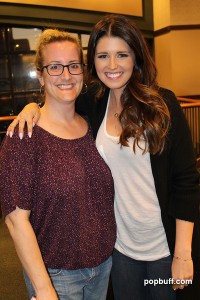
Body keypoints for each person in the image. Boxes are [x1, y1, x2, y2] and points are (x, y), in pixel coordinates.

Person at [6, 15, 200, 300]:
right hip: (120, 252)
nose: (112, 65)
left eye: (122, 54)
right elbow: (56, 97)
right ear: (93, 63)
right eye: (102, 56)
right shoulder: (94, 103)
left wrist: (183, 254)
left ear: (136, 57)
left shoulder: (162, 104)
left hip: (164, 249)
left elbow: (186, 181)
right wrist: (31, 107)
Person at [0, 29, 116, 300]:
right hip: (56, 276)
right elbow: (17, 221)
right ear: (40, 75)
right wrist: (44, 289)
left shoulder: (94, 125)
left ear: (83, 72)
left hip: (104, 266)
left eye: (73, 66)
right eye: (54, 67)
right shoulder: (24, 137)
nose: (65, 75)